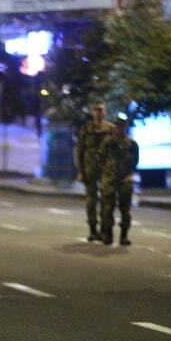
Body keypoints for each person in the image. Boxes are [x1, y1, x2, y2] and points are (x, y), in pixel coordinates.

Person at [76, 101, 115, 242]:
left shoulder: (111, 129)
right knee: (91, 201)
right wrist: (80, 171)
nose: (99, 112)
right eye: (96, 110)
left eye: (101, 110)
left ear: (105, 112)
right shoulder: (86, 129)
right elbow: (80, 151)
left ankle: (105, 230)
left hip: (106, 169)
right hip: (90, 168)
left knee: (107, 200)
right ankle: (93, 229)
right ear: (92, 112)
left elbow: (115, 150)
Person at [99, 118, 140, 246]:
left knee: (125, 209)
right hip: (109, 179)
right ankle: (108, 235)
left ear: (125, 128)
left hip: (125, 179)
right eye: (116, 127)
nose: (118, 130)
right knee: (108, 208)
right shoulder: (108, 142)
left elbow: (135, 161)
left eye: (120, 127)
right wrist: (106, 171)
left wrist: (129, 173)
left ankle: (124, 236)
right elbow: (100, 158)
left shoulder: (132, 144)